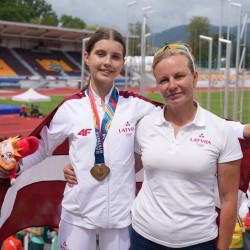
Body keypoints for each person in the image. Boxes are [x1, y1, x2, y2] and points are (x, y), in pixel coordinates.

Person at [12, 28, 162, 250]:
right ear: (87, 57)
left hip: (120, 219)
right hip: (77, 217)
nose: (107, 62)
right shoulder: (70, 108)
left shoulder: (136, 106)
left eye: (115, 57)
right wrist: (12, 167)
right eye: (100, 54)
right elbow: (42, 146)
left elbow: (176, 118)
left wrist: (137, 157)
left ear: (122, 63)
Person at [129, 43, 242, 250]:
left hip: (198, 242)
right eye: (164, 80)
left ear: (195, 78)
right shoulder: (145, 125)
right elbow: (123, 169)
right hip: (143, 237)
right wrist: (77, 168)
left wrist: (223, 248)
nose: (172, 85)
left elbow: (228, 199)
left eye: (179, 76)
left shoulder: (222, 130)